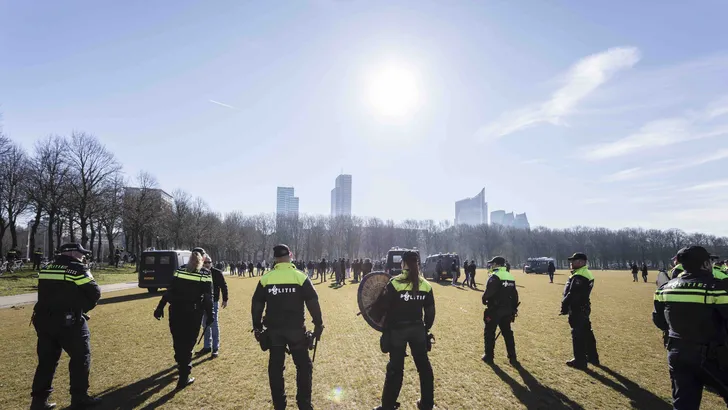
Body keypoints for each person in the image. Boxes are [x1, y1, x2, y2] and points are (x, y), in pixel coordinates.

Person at [653, 246, 728, 408]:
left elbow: (659, 321)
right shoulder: (719, 288)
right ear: (705, 264)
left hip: (677, 353)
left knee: (684, 404)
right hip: (713, 357)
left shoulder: (665, 288)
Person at [252, 244, 324, 410]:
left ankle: (279, 405)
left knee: (275, 369)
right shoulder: (300, 277)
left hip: (274, 332)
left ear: (275, 258)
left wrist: (256, 326)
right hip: (296, 331)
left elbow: (256, 304)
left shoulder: (266, 278)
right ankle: (304, 404)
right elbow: (313, 301)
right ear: (290, 256)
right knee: (304, 367)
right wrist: (319, 324)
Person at [31, 243, 102, 410]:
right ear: (71, 253)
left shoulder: (47, 268)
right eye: (81, 253)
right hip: (69, 322)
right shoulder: (77, 269)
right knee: (81, 358)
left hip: (44, 321)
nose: (83, 256)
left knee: (46, 362)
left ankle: (39, 402)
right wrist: (81, 309)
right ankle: (79, 397)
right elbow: (95, 292)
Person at [370, 250, 435, 410]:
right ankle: (427, 404)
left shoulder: (394, 283)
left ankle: (388, 405)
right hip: (418, 330)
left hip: (397, 332)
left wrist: (373, 311)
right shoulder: (426, 285)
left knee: (395, 369)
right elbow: (431, 313)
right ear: (418, 263)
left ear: (403, 264)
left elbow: (381, 309)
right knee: (424, 367)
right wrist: (425, 329)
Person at [153, 248, 213, 389]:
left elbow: (170, 290)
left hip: (175, 312)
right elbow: (208, 298)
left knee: (178, 341)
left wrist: (160, 306)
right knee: (189, 343)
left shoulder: (180, 270)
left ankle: (182, 366)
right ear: (202, 258)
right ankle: (184, 376)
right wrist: (211, 316)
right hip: (192, 313)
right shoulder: (205, 274)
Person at [560, 252, 599, 370]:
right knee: (587, 332)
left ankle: (580, 360)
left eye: (574, 261)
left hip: (577, 308)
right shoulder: (584, 273)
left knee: (577, 334)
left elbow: (573, 294)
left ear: (582, 262)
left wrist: (564, 305)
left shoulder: (579, 276)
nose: (571, 263)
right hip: (584, 306)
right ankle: (592, 356)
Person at [481, 256, 519, 366]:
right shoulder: (510, 276)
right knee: (508, 333)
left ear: (497, 264)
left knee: (489, 332)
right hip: (507, 310)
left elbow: (488, 293)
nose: (491, 265)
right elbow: (515, 295)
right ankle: (512, 356)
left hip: (494, 310)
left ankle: (489, 356)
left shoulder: (495, 276)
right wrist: (513, 308)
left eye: (493, 263)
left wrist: (484, 300)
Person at [197, 256, 228, 358]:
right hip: (202, 303)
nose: (207, 264)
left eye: (208, 262)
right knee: (205, 324)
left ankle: (215, 348)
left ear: (211, 263)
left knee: (214, 324)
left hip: (213, 302)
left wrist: (225, 299)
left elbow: (224, 286)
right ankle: (207, 346)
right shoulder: (199, 272)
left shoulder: (217, 273)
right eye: (205, 262)